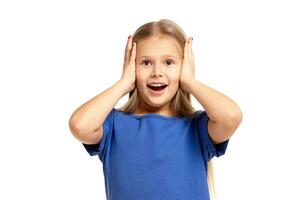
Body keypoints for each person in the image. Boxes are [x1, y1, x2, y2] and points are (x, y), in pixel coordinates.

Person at [69, 19, 242, 200]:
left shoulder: (196, 128)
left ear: (184, 67)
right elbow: (80, 125)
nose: (156, 72)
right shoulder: (113, 126)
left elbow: (231, 116)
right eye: (145, 63)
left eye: (169, 62)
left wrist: (190, 82)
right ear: (131, 67)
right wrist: (124, 83)